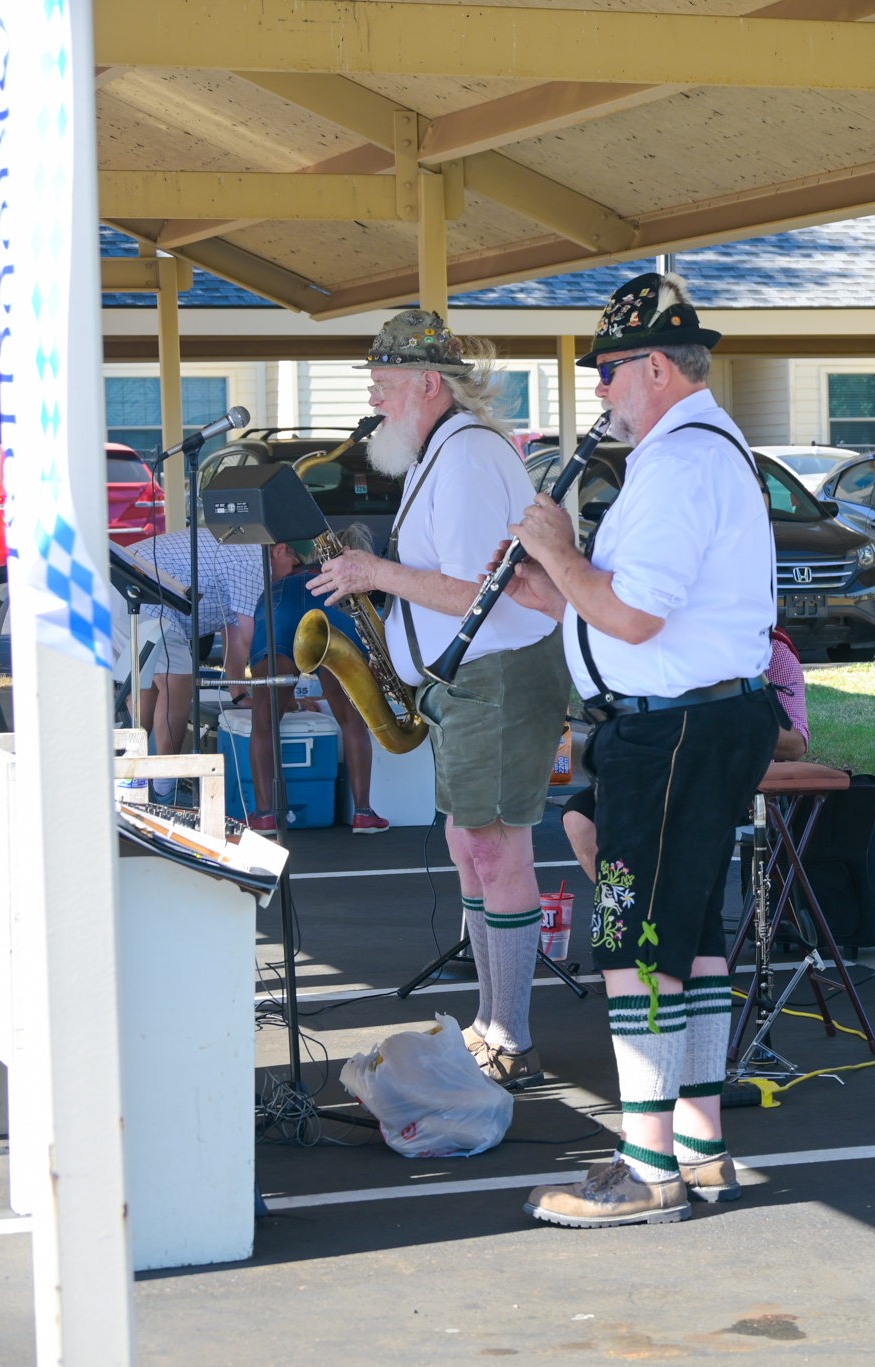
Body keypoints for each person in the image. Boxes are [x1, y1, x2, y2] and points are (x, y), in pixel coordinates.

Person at [502, 271, 779, 1228]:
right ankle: (699, 1147)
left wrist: (555, 546)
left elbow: (634, 612)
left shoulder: (677, 465)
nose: (602, 394)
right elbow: (616, 606)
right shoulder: (699, 452)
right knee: (691, 938)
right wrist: (548, 583)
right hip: (701, 720)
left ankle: (643, 1165)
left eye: (610, 372)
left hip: (670, 732)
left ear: (656, 367)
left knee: (633, 940)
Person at [307, 310, 570, 1090]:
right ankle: (494, 1023)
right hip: (472, 676)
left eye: (385, 385)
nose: (376, 400)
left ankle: (510, 1036)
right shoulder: (446, 449)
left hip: (499, 670)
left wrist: (373, 574)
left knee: (494, 846)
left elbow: (472, 594)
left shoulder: (458, 460)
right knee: (469, 844)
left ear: (428, 383)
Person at [561, 627, 809, 876]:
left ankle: (659, 907)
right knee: (580, 815)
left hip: (738, 781)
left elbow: (796, 743)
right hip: (664, 769)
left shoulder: (773, 651)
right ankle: (621, 904)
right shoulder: (668, 645)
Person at [244, 539, 385, 833]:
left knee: (265, 720)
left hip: (280, 600)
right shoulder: (340, 577)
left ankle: (265, 814)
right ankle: (362, 813)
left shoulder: (279, 581)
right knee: (351, 718)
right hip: (331, 595)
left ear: (295, 556)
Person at [123, 526, 262, 799]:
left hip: (127, 588)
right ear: (283, 549)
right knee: (177, 681)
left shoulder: (246, 547)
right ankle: (165, 789)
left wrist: (239, 694)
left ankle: (131, 781)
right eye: (294, 564)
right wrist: (276, 694)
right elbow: (249, 637)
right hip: (147, 596)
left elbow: (234, 632)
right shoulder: (256, 559)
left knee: (148, 685)